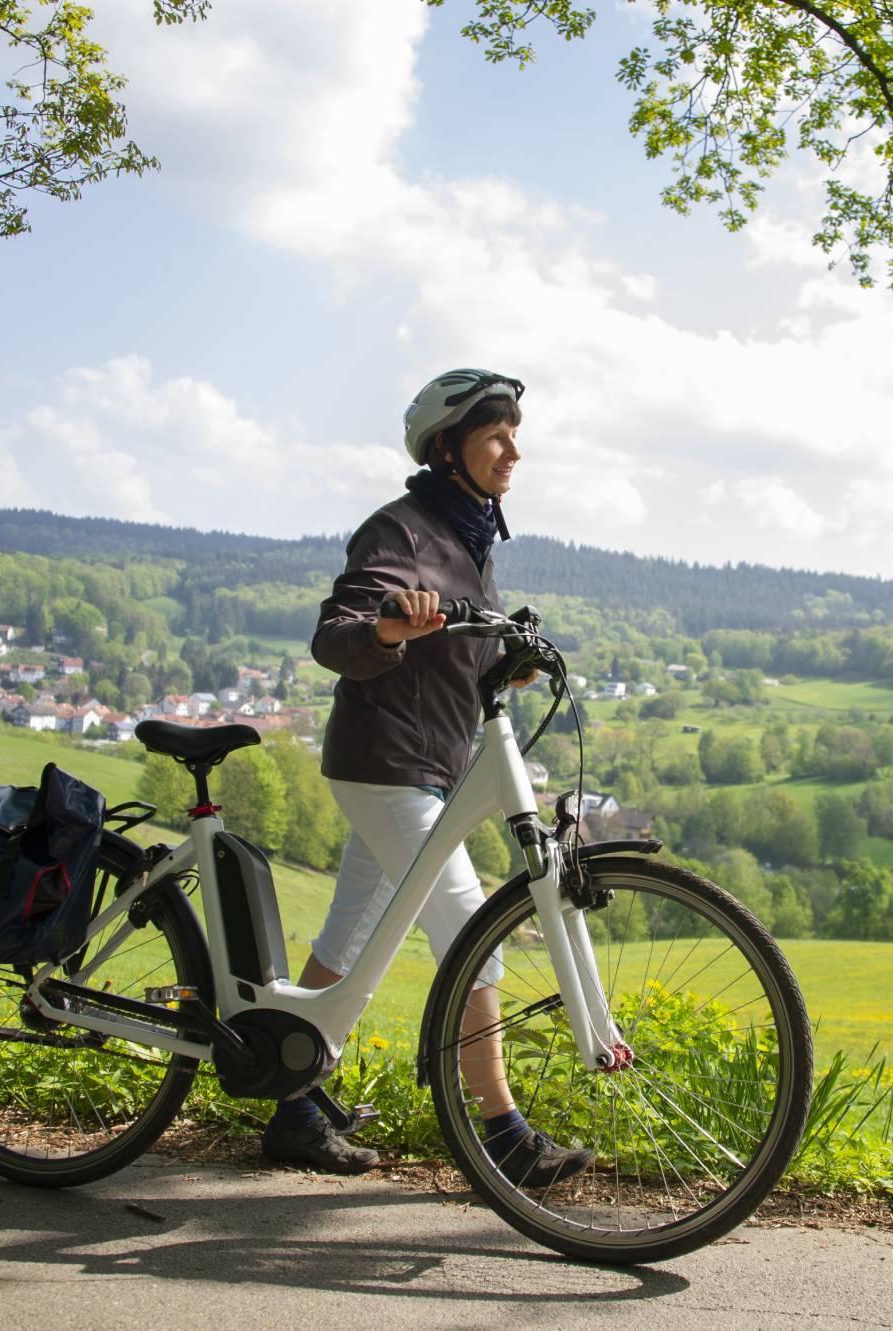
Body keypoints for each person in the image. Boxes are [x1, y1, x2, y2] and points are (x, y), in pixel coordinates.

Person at [261, 369, 593, 1185]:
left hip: (428, 767)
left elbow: (458, 642)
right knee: (472, 931)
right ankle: (501, 1133)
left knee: (350, 936)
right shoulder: (401, 531)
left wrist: (504, 661)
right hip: (387, 761)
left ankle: (292, 1103)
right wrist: (385, 624)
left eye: (516, 433)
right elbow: (337, 633)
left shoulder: (470, 537)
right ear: (449, 449)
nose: (513, 449)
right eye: (495, 435)